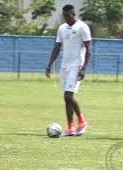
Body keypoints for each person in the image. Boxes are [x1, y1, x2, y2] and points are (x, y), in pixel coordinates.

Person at [45, 4, 91, 136]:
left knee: (68, 95)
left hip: (77, 65)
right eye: (64, 16)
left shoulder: (82, 27)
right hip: (64, 66)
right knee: (66, 98)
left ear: (73, 14)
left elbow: (89, 50)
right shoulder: (62, 28)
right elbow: (57, 47)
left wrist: (84, 68)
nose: (66, 18)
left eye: (68, 16)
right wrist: (49, 64)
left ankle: (82, 121)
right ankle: (70, 128)